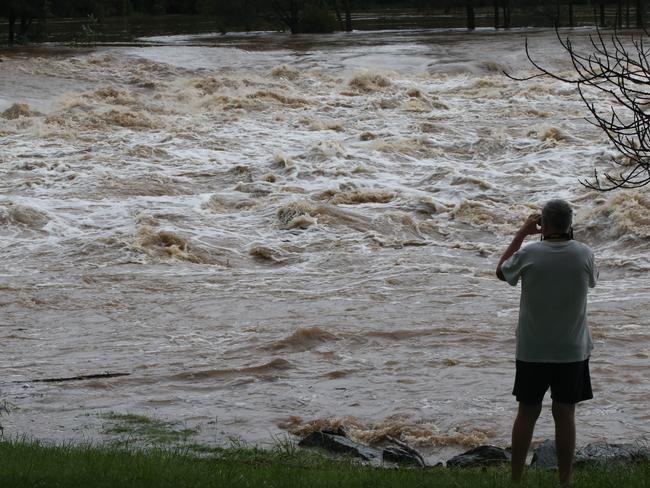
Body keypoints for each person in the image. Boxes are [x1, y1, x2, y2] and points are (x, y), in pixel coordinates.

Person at [496, 199, 598, 487]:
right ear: (570, 224)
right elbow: (592, 281)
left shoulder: (529, 253)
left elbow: (501, 271)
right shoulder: (584, 254)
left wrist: (520, 234)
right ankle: (564, 481)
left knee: (527, 412)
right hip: (572, 350)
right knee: (564, 413)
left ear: (543, 224)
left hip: (533, 349)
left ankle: (517, 479)